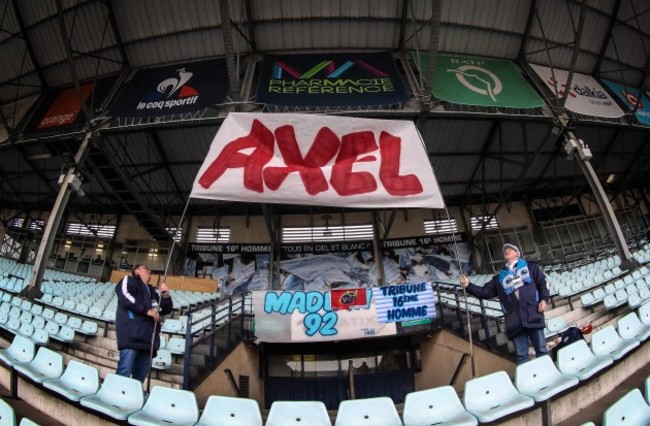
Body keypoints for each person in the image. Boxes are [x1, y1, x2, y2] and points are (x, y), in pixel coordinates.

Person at [460, 243, 549, 364]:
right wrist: (468, 285)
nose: (506, 251)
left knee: (542, 350)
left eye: (510, 249)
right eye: (504, 250)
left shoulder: (531, 267)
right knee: (522, 356)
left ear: (517, 253)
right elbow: (485, 292)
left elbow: (543, 283)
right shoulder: (499, 278)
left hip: (533, 313)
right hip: (514, 320)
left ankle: (547, 375)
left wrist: (544, 299)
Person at [115, 264, 173, 382]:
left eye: (149, 269)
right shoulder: (129, 280)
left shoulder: (152, 292)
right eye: (145, 268)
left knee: (140, 376)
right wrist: (147, 311)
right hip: (132, 336)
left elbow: (163, 310)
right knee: (124, 371)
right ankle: (115, 398)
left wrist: (166, 296)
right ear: (136, 271)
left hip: (148, 340)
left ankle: (132, 398)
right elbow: (126, 296)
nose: (149, 271)